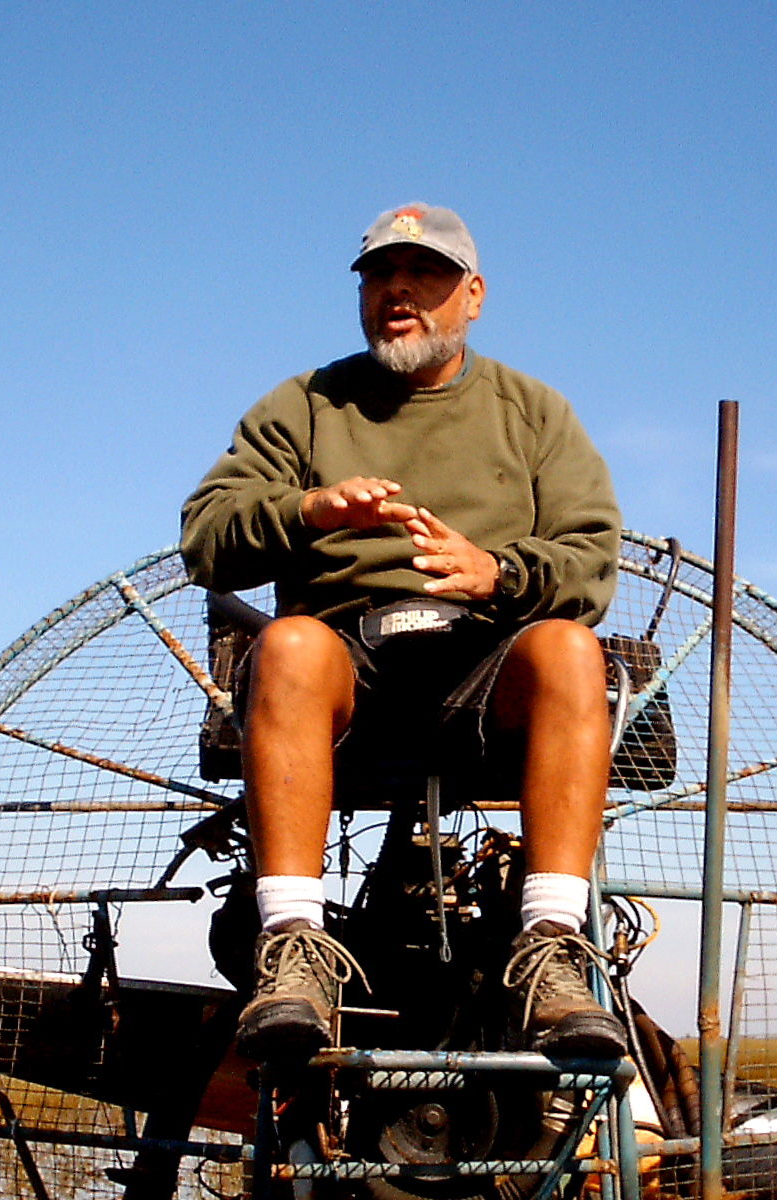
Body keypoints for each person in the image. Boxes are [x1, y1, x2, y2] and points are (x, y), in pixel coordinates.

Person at [181, 202, 624, 1062]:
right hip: (351, 671)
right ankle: (295, 951)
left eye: (424, 275)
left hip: (484, 669)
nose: (399, 291)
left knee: (570, 646)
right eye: (381, 274)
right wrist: (306, 510)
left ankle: (551, 948)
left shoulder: (533, 412)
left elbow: (592, 561)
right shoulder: (306, 405)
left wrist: (496, 573)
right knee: (291, 644)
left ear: (474, 295)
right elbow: (206, 535)